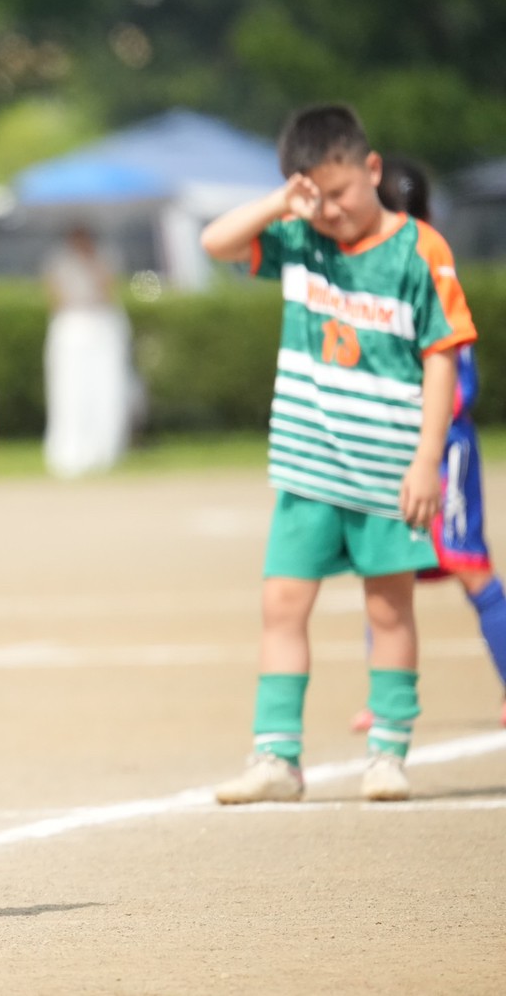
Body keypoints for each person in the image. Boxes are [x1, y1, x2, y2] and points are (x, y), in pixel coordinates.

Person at [200, 105, 476, 804]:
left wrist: (427, 460)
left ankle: (387, 752)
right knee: (283, 605)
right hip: (308, 467)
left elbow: (442, 357)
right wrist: (279, 201)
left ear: (373, 169)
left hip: (390, 471)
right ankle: (276, 757)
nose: (329, 210)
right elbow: (216, 243)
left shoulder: (421, 250)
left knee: (389, 611)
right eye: (313, 195)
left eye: (341, 191)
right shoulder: (299, 239)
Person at [347, 156, 506, 731]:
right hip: (395, 441)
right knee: (387, 570)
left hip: (446, 443)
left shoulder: (427, 260)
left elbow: (457, 371)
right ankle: (385, 695)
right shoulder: (386, 261)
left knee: (468, 565)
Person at [41, 224, 136, 478]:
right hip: (72, 325)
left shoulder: (106, 256)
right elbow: (55, 296)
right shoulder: (58, 261)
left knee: (106, 388)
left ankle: (105, 449)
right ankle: (70, 450)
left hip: (101, 324)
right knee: (70, 389)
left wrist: (93, 263)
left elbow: (108, 289)